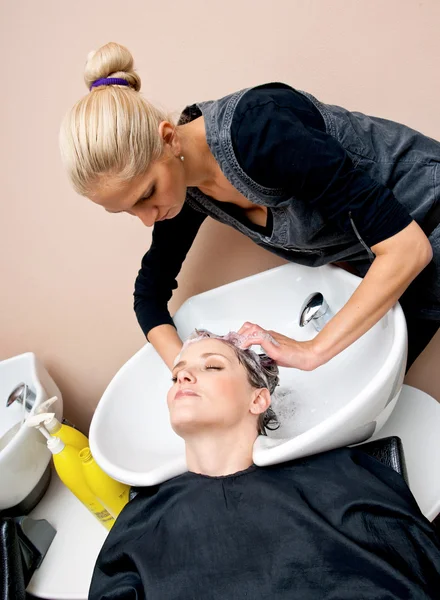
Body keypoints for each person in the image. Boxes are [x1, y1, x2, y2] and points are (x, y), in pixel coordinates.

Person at [59, 42, 440, 373]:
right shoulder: (183, 191)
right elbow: (149, 294)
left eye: (146, 194)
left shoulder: (260, 131)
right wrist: (186, 367)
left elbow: (408, 248)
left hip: (428, 217)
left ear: (169, 138)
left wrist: (312, 351)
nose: (146, 218)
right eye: (127, 210)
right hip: (391, 256)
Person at [88, 329, 440, 599]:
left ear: (257, 399)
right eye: (177, 374)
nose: (183, 376)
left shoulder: (341, 475)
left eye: (212, 366)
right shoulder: (139, 523)